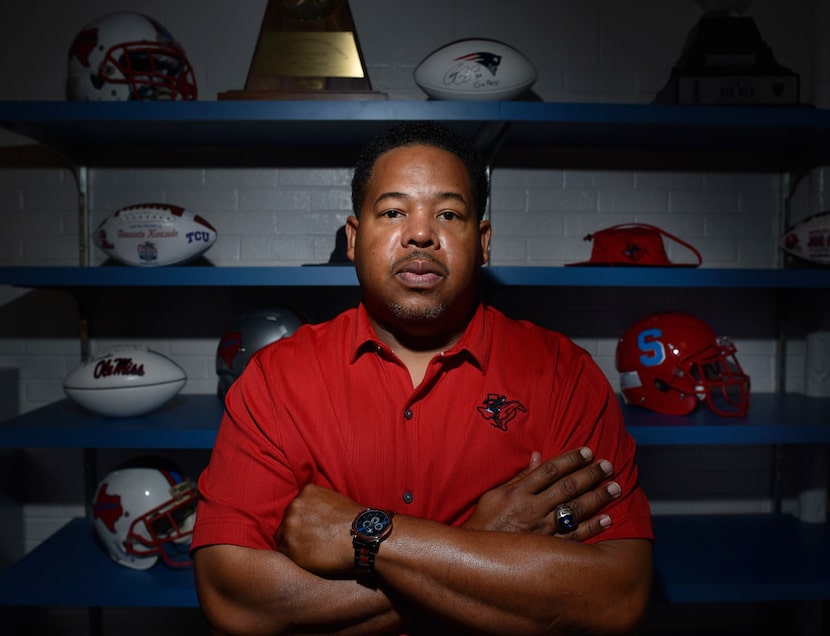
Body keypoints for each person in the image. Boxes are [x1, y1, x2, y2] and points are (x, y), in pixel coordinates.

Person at [191, 121, 654, 635]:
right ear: (352, 238)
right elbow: (234, 599)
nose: (420, 234)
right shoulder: (276, 379)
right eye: (392, 212)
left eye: (449, 214)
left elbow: (618, 597)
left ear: (482, 243)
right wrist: (480, 540)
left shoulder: (564, 376)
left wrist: (367, 536)